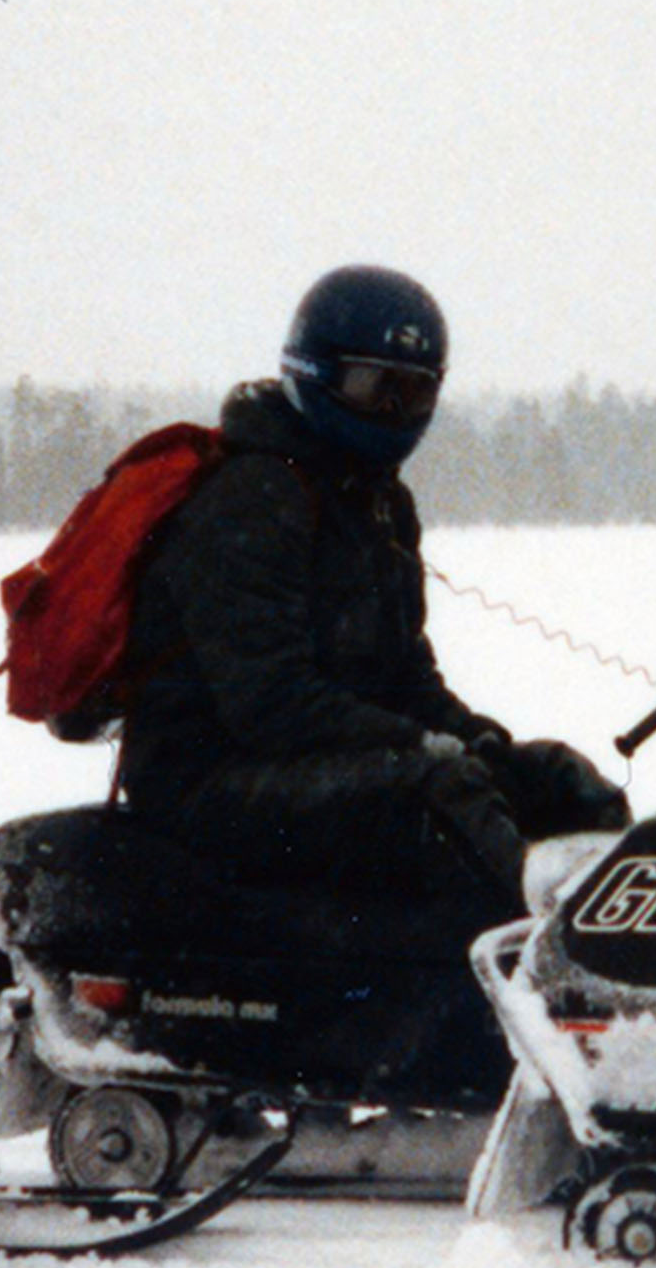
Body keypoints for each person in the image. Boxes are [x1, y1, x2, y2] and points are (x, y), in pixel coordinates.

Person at [105, 265, 628, 911]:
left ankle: (627, 949)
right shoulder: (254, 498)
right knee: (437, 791)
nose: (396, 412)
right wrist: (418, 747)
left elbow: (406, 675)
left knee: (553, 779)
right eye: (375, 387)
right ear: (314, 371)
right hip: (205, 776)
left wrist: (477, 741)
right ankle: (534, 968)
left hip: (310, 760)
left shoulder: (376, 503)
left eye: (417, 392)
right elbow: (268, 701)